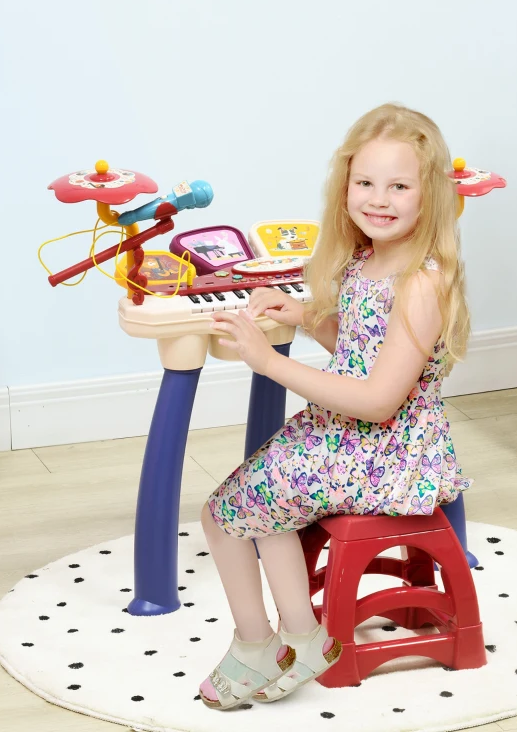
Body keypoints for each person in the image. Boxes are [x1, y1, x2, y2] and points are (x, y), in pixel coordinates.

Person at [198, 103, 472, 710]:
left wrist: (269, 362)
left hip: (385, 451)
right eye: (365, 183)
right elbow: (360, 345)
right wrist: (306, 316)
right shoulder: (366, 259)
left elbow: (377, 399)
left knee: (224, 515)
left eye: (399, 186)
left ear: (428, 196)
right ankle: (298, 638)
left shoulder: (422, 283)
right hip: (349, 437)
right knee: (246, 504)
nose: (379, 199)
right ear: (345, 185)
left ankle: (262, 643)